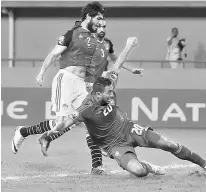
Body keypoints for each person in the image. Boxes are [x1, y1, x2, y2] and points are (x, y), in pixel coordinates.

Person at [11, 1, 140, 175]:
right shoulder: (72, 34)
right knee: (61, 123)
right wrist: (42, 72)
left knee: (88, 120)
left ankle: (97, 166)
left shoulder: (97, 40)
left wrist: (120, 70)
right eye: (99, 18)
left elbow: (110, 60)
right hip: (66, 80)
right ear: (89, 17)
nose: (101, 22)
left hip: (82, 84)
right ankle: (23, 131)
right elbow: (53, 53)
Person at [39, 75, 206, 178]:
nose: (112, 96)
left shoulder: (105, 90)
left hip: (129, 129)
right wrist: (48, 136)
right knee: (138, 171)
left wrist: (129, 47)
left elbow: (116, 69)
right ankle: (149, 167)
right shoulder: (85, 109)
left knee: (169, 145)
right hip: (115, 146)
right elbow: (65, 123)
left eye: (113, 91)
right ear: (97, 95)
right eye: (109, 93)